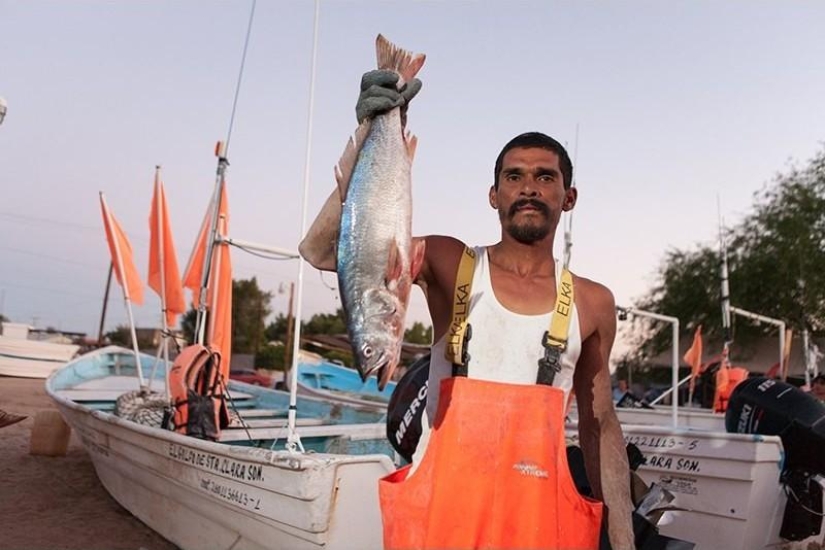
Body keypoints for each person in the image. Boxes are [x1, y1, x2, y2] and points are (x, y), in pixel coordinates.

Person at [300, 70, 635, 549]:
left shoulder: (591, 301)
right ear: (494, 195)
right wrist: (367, 141)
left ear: (569, 197)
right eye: (513, 176)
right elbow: (319, 250)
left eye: (545, 177)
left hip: (539, 525)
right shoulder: (451, 265)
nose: (529, 188)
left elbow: (599, 422)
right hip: (440, 521)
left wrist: (622, 538)